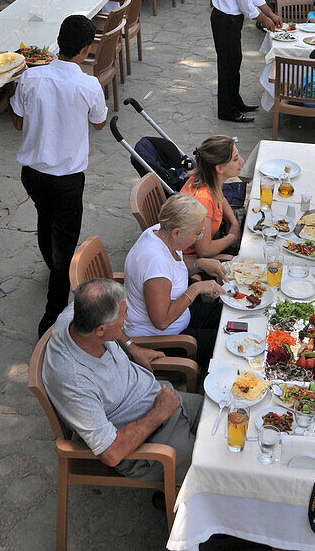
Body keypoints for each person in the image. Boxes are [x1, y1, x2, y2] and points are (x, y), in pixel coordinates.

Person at [43, 279, 202, 482]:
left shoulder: (77, 314)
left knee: (224, 419)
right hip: (150, 441)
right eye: (123, 314)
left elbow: (105, 321)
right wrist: (159, 413)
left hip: (162, 398)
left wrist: (132, 347)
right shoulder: (74, 381)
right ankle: (176, 495)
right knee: (214, 470)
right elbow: (111, 453)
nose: (128, 317)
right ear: (100, 330)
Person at [11, 15, 108, 335]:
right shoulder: (88, 84)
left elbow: (16, 121)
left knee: (44, 216)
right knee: (65, 245)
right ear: (86, 49)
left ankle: (51, 265)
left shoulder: (30, 78)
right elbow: (98, 122)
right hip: (67, 178)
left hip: (34, 174)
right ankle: (51, 320)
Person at [123, 193, 226, 370]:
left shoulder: (159, 232)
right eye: (197, 233)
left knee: (229, 315)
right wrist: (196, 289)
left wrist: (198, 264)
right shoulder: (155, 262)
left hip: (181, 316)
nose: (200, 237)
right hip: (163, 340)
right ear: (177, 232)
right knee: (226, 342)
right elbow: (161, 321)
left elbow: (172, 265)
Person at [211, 0, 283, 122]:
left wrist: (271, 14)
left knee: (235, 61)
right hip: (225, 18)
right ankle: (227, 111)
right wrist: (265, 20)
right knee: (227, 65)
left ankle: (235, 101)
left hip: (232, 19)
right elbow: (246, 6)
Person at [180, 136, 242, 258]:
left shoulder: (206, 178)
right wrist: (231, 238)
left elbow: (220, 198)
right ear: (219, 168)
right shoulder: (203, 200)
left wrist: (234, 223)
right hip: (190, 258)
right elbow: (204, 250)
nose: (242, 160)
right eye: (235, 159)